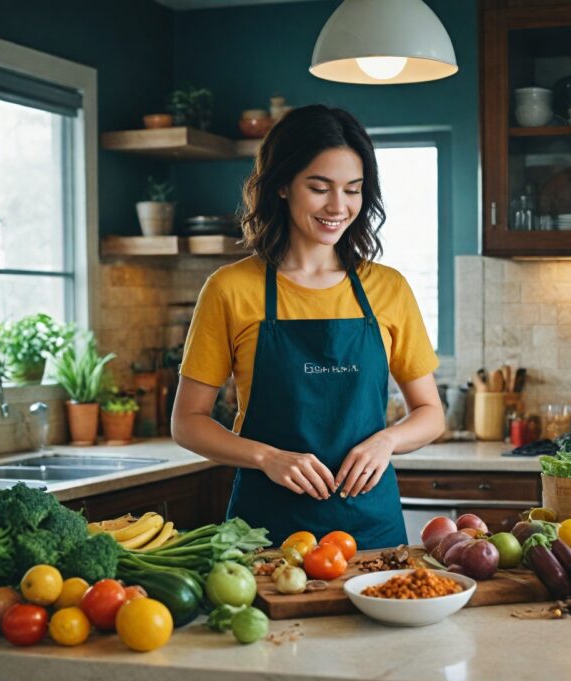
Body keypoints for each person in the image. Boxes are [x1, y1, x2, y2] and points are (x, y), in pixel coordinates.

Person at [171, 104, 444, 549]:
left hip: (370, 530)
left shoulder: (388, 288)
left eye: (353, 190)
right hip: (266, 532)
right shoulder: (231, 289)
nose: (338, 207)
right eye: (319, 188)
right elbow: (187, 422)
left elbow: (431, 414)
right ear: (282, 185)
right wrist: (267, 456)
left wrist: (387, 442)